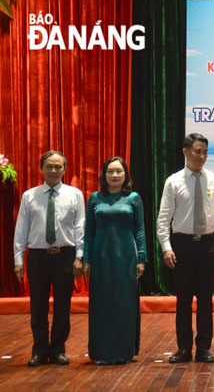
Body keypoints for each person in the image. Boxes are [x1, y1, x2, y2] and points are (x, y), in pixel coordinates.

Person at [157, 133, 214, 363]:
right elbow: (163, 218)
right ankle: (183, 349)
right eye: (197, 151)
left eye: (205, 152)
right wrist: (166, 247)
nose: (201, 156)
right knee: (183, 300)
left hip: (209, 244)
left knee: (205, 300)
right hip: (181, 245)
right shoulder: (173, 181)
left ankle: (203, 348)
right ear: (185, 152)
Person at [13, 150, 84, 367]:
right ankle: (39, 350)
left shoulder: (75, 194)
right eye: (49, 166)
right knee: (38, 305)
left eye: (58, 167)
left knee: (63, 305)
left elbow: (80, 226)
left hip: (65, 256)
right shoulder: (29, 196)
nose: (53, 170)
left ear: (64, 169)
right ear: (41, 168)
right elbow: (21, 228)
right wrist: (18, 260)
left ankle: (58, 349)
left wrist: (80, 255)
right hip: (37, 257)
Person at [82, 156, 147, 364]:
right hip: (100, 258)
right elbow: (89, 232)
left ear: (125, 175)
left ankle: (123, 350)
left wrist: (142, 258)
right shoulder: (94, 198)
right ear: (104, 175)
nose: (115, 175)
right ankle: (101, 352)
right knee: (101, 303)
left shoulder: (134, 198)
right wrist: (87, 259)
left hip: (126, 257)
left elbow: (139, 230)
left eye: (119, 171)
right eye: (110, 171)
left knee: (124, 303)